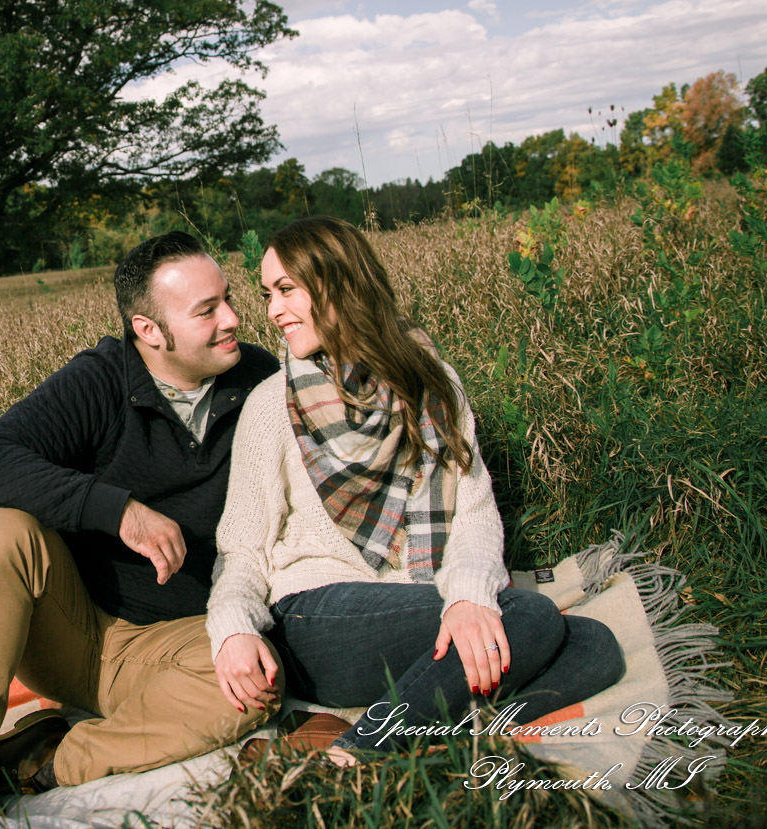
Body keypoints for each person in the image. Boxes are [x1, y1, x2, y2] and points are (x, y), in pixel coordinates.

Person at [206, 216, 625, 765]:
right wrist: (233, 628)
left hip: (414, 599)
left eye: (287, 290)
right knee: (534, 620)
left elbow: (474, 514)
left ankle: (390, 733)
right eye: (267, 293)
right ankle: (364, 753)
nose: (271, 311)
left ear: (339, 285)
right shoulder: (271, 405)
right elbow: (242, 548)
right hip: (316, 619)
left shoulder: (432, 382)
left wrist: (468, 597)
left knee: (597, 647)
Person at [0, 231, 281, 805]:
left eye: (229, 299)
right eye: (207, 310)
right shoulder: (101, 379)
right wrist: (118, 512)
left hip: (182, 643)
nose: (234, 319)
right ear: (149, 331)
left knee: (257, 681)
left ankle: (50, 760)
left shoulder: (258, 379)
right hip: (74, 631)